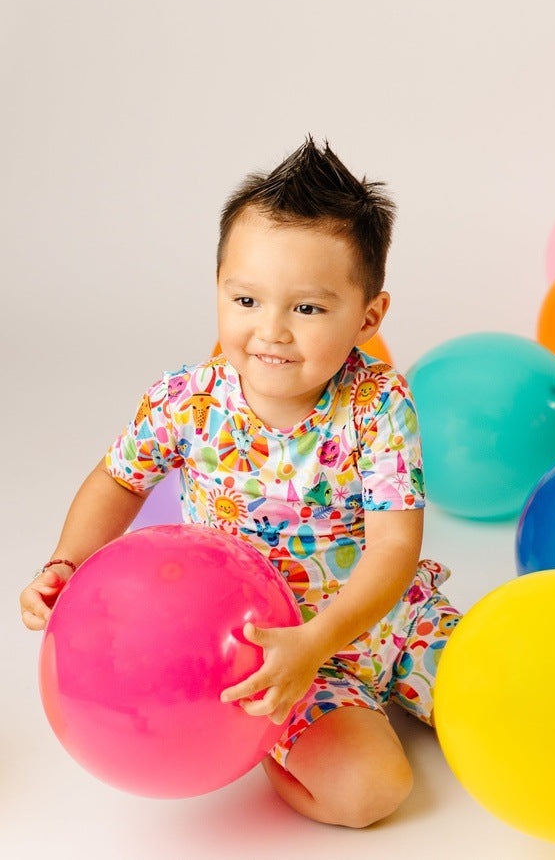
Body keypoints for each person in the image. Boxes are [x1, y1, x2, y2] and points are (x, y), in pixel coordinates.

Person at [19, 138, 458, 828]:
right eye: (247, 299)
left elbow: (394, 548)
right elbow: (118, 480)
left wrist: (329, 635)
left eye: (308, 308)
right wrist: (65, 561)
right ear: (219, 287)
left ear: (369, 318)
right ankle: (262, 745)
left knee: (521, 706)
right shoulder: (187, 401)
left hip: (390, 622)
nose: (271, 331)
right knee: (372, 790)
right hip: (275, 659)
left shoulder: (379, 405)